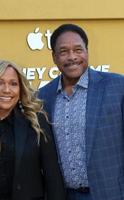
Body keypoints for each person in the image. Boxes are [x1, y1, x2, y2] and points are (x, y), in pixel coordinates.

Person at [38, 24, 124, 200]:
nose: (72, 57)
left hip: (111, 193)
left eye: (78, 49)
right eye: (63, 51)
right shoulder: (43, 96)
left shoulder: (117, 87)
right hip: (65, 195)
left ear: (87, 51)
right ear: (54, 57)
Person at [0, 60, 66, 200]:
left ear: (21, 89)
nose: (7, 89)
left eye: (13, 84)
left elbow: (54, 179)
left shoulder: (36, 122)